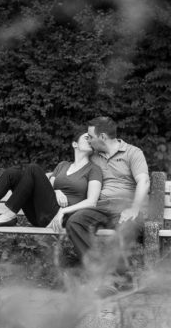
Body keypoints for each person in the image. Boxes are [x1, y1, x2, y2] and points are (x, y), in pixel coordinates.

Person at [0, 129, 104, 228]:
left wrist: (63, 211)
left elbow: (91, 202)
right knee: (12, 173)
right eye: (87, 137)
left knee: (33, 168)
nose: (90, 140)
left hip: (59, 217)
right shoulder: (62, 165)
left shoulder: (94, 169)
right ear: (75, 144)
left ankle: (10, 214)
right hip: (38, 214)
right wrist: (57, 191)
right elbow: (48, 188)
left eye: (92, 139)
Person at [63, 116, 150, 272]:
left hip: (125, 207)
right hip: (100, 207)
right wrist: (53, 181)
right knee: (74, 222)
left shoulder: (132, 153)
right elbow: (71, 170)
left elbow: (143, 181)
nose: (88, 141)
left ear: (102, 137)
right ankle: (98, 271)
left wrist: (134, 209)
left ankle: (116, 278)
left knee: (126, 227)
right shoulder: (93, 156)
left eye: (91, 137)